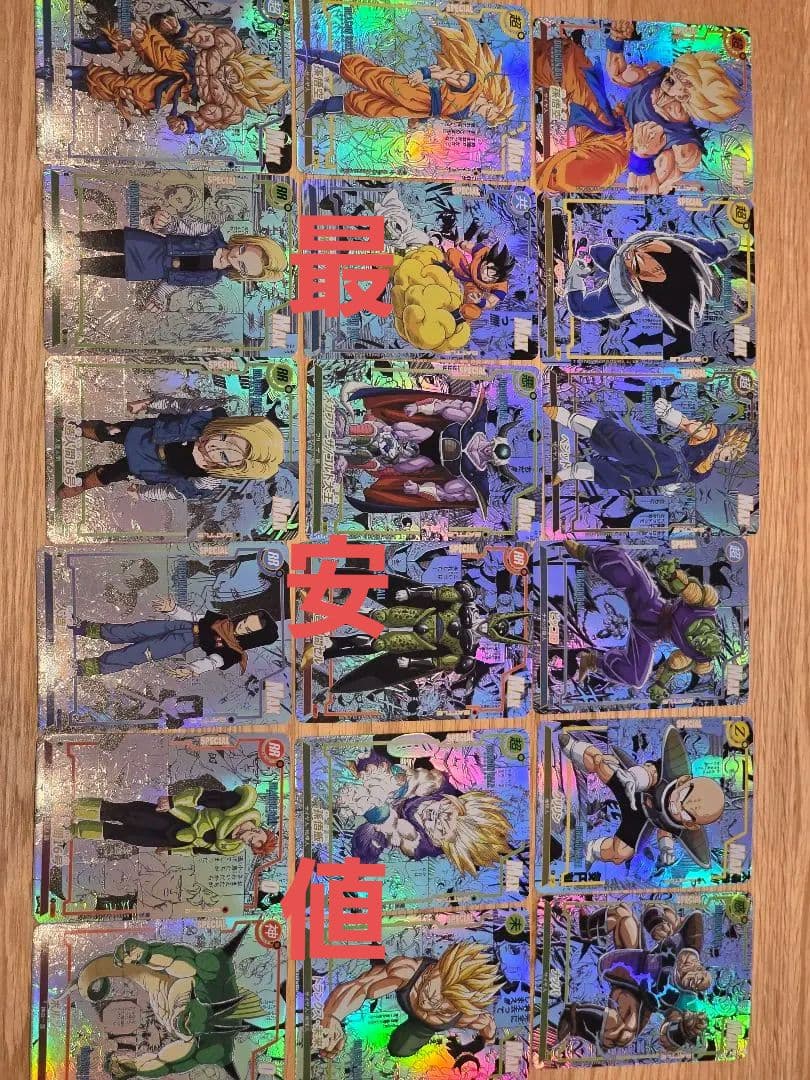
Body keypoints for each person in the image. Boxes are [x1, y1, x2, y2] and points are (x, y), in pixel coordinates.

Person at [534, 20, 744, 192]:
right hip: (606, 119)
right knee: (567, 57)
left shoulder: (684, 148)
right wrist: (616, 40)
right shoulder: (656, 75)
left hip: (615, 151)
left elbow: (642, 189)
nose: (672, 76)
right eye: (676, 71)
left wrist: (642, 155)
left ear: (692, 95)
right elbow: (619, 74)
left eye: (684, 79)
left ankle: (533, 181)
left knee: (581, 172)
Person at [563, 540, 724, 702]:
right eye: (703, 640)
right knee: (631, 576)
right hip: (652, 607)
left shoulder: (696, 656)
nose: (697, 642)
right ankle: (585, 552)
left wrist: (660, 684)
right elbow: (685, 588)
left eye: (699, 646)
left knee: (636, 677)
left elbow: (673, 665)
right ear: (711, 633)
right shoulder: (704, 608)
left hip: (648, 635)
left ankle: (592, 661)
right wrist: (672, 575)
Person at [557, 726, 725, 868]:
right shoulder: (673, 770)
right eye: (682, 796)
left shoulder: (685, 829)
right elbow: (651, 773)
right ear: (683, 781)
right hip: (633, 788)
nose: (677, 806)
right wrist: (634, 778)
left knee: (620, 854)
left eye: (686, 813)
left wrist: (666, 847)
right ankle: (573, 747)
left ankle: (592, 849)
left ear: (691, 824)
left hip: (640, 820)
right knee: (603, 764)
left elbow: (666, 828)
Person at [299, 18, 514, 127]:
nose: (485, 116)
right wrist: (424, 74)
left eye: (488, 118)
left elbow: (440, 113)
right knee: (373, 77)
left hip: (421, 109)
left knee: (371, 109)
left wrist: (418, 121)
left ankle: (323, 106)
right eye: (490, 113)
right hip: (421, 94)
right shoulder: (472, 84)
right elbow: (447, 74)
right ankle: (315, 57)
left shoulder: (465, 115)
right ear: (491, 101)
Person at [557, 902, 711, 1052]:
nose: (691, 978)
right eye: (694, 968)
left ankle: (573, 1018)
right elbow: (655, 909)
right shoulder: (688, 937)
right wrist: (656, 922)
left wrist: (683, 1030)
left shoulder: (686, 1004)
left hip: (636, 997)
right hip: (636, 958)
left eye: (694, 984)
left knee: (624, 1033)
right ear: (699, 964)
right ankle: (585, 926)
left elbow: (666, 1037)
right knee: (623, 914)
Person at [318, 943, 502, 1059]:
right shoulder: (407, 971)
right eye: (429, 993)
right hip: (399, 983)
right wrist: (332, 1017)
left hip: (423, 1028)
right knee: (379, 976)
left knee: (400, 1048)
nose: (428, 1005)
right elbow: (361, 987)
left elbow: (488, 1028)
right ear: (433, 971)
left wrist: (485, 1043)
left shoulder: (467, 1016)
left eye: (441, 1008)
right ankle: (379, 964)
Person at [57, 409, 284, 501]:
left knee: (109, 474)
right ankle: (76, 428)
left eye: (225, 457)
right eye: (224, 437)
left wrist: (143, 493)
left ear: (235, 469)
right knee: (108, 431)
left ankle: (83, 483)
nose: (215, 446)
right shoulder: (212, 416)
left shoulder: (208, 480)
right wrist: (148, 403)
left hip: (148, 466)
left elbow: (173, 491)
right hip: (146, 434)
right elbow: (179, 404)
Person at [545, 398, 751, 489]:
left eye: (732, 458)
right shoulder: (712, 435)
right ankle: (566, 417)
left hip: (663, 478)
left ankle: (571, 472)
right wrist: (669, 414)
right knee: (621, 442)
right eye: (732, 453)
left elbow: (685, 480)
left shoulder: (707, 471)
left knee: (620, 479)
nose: (729, 458)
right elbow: (687, 425)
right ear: (730, 442)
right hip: (667, 459)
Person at [561, 231, 741, 332]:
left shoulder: (621, 297)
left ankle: (587, 264)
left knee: (582, 308)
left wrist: (575, 273)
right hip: (620, 259)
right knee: (598, 251)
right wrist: (726, 246)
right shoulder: (669, 247)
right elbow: (701, 250)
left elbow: (579, 309)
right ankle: (591, 259)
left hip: (620, 294)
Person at [74, 600, 278, 679]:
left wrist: (192, 669)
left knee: (134, 654)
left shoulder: (233, 652)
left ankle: (84, 668)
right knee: (132, 630)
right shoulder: (222, 620)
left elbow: (212, 662)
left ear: (253, 637)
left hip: (180, 643)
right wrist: (172, 609)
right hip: (179, 626)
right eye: (245, 621)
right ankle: (82, 627)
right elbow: (194, 617)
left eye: (248, 629)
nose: (242, 626)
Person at [70, 783, 277, 857]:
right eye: (254, 838)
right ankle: (74, 807)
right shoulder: (237, 806)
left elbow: (198, 851)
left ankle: (75, 829)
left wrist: (171, 851)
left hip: (173, 840)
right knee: (125, 813)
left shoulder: (231, 847)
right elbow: (203, 796)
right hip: (175, 817)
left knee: (125, 835)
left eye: (251, 845)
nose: (247, 840)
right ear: (259, 830)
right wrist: (173, 801)